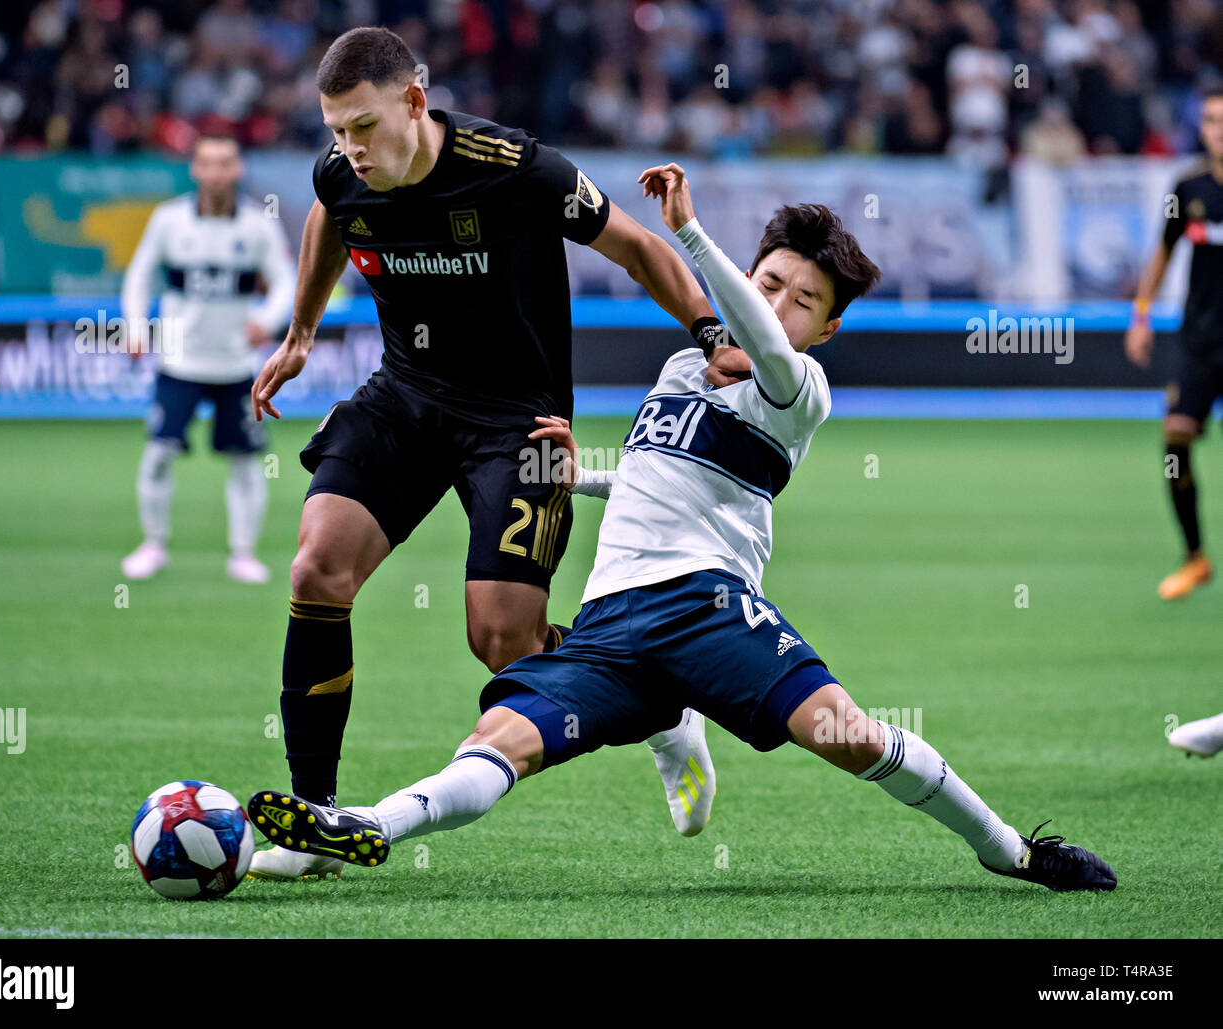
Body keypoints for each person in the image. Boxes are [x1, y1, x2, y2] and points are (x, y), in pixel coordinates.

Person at [246, 165, 1116, 893]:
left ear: (828, 327)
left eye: (801, 299)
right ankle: (359, 824)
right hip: (611, 620)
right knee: (495, 744)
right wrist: (571, 470)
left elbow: (767, 351)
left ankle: (1013, 849)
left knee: (847, 734)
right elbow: (652, 477)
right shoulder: (680, 365)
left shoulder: (798, 385)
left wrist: (693, 236)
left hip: (710, 607)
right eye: (769, 282)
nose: (778, 305)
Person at [247, 27, 734, 880]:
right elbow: (330, 213)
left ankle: (663, 713)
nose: (347, 149)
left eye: (361, 127)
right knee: (315, 568)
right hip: (403, 399)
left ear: (413, 101)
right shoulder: (341, 173)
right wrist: (301, 332)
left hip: (519, 424)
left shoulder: (513, 168)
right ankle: (312, 821)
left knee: (504, 642)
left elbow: (638, 247)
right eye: (333, 130)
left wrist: (710, 333)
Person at [120, 134, 294, 584]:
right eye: (207, 163)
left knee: (245, 461)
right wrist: (136, 325)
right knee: (158, 453)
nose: (216, 172)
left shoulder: (257, 225)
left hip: (236, 367)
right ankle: (153, 545)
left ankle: (243, 553)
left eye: (225, 163)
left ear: (238, 170)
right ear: (194, 169)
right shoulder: (169, 220)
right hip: (178, 362)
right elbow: (139, 275)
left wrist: (269, 319)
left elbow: (285, 280)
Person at [1126, 89, 1223, 600]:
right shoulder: (1187, 187)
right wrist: (1140, 316)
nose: (1218, 129)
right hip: (1201, 342)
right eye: (1210, 120)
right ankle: (1195, 558)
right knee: (1177, 439)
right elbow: (1161, 254)